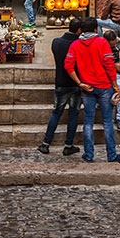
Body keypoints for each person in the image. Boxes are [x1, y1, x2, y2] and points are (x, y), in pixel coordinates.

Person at [64, 17, 120, 163]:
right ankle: (111, 155)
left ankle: (89, 154)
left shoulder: (75, 45)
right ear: (94, 29)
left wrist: (80, 83)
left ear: (81, 30)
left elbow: (68, 66)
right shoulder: (102, 43)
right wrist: (115, 86)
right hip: (104, 86)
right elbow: (109, 66)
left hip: (87, 87)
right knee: (107, 122)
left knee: (88, 122)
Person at [37, 17, 82, 156]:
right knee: (73, 114)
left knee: (56, 112)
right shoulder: (79, 44)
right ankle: (68, 145)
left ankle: (46, 143)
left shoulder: (56, 42)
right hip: (76, 83)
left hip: (61, 83)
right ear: (79, 30)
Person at [103, 29, 120, 131]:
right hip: (104, 73)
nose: (114, 46)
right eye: (111, 45)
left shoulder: (118, 43)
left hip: (116, 73)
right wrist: (114, 66)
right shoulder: (101, 47)